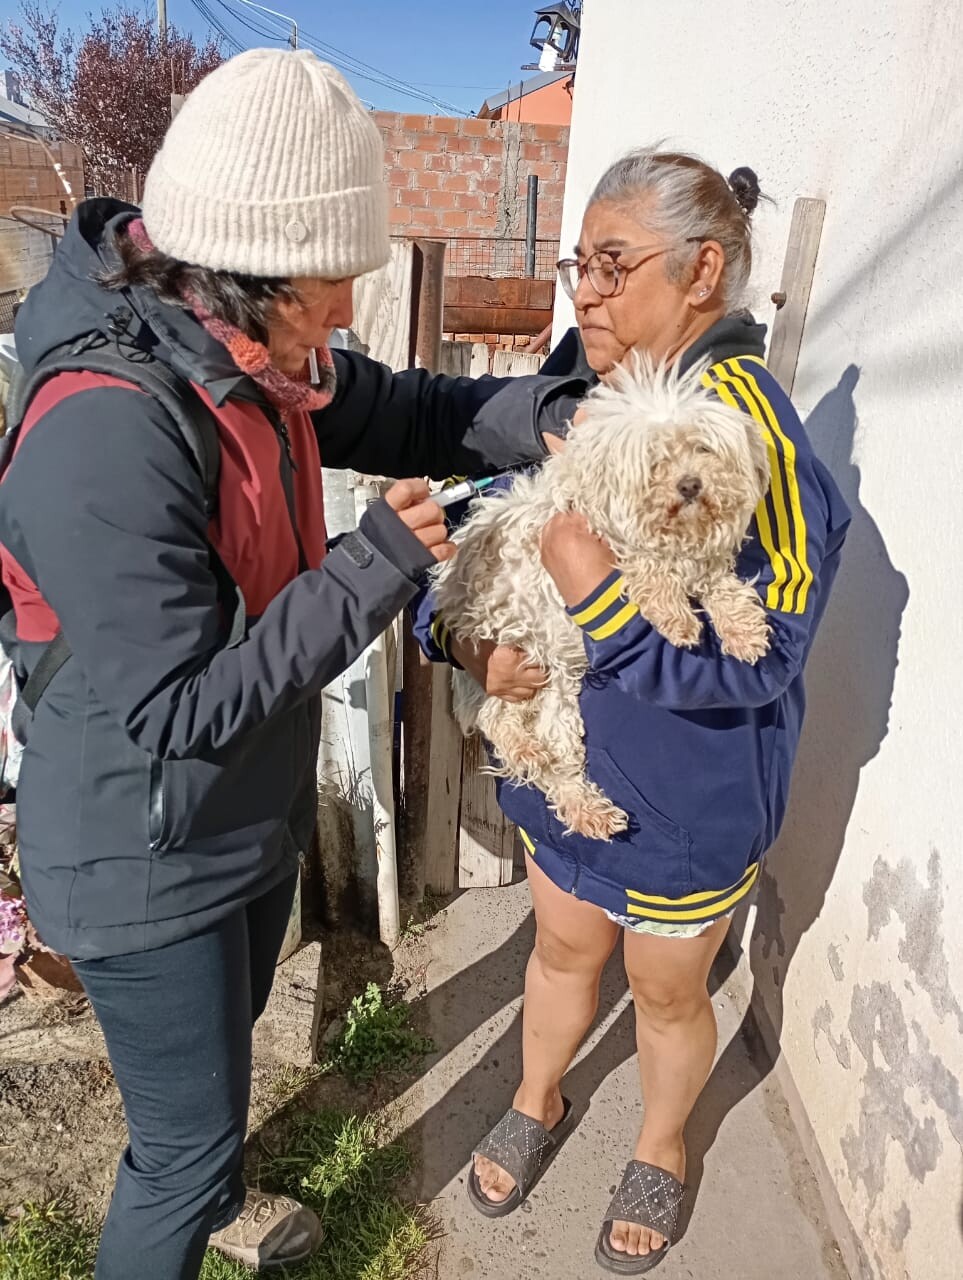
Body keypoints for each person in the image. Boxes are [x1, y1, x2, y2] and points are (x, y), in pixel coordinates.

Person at [0, 50, 587, 1280]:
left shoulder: (260, 354)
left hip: (240, 814)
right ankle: (192, 1188)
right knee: (172, 1151)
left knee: (216, 1064)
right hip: (140, 851)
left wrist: (553, 413)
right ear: (245, 264)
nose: (348, 315)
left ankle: (214, 1170)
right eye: (332, 284)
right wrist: (372, 569)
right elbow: (173, 705)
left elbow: (417, 405)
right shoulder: (107, 426)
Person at [413, 149, 851, 1273]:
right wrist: (462, 638)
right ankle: (538, 1094)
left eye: (611, 265)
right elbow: (496, 542)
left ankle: (662, 1141)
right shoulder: (589, 388)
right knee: (561, 949)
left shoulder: (751, 430)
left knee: (666, 988)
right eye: (579, 264)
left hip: (688, 799)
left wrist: (600, 604)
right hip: (567, 776)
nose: (585, 292)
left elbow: (769, 658)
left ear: (703, 269)